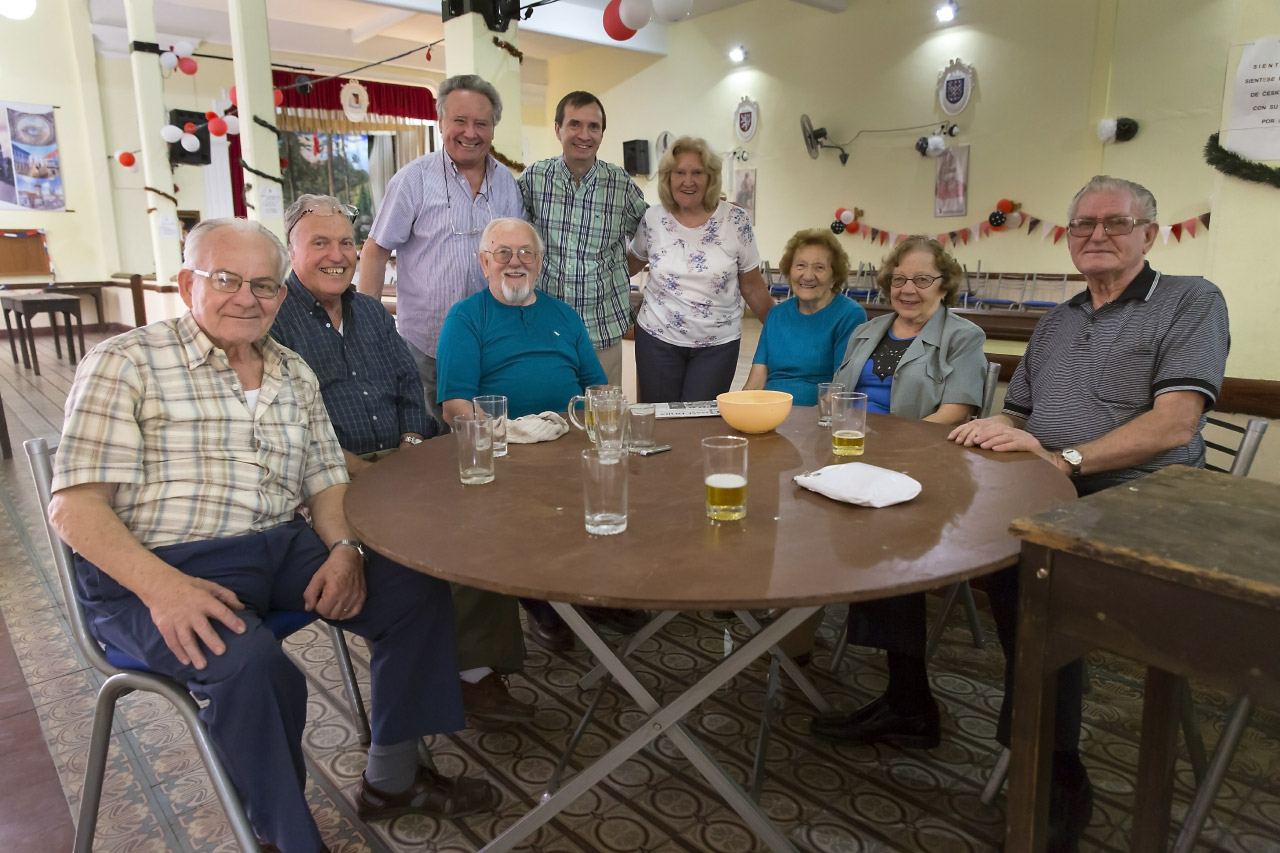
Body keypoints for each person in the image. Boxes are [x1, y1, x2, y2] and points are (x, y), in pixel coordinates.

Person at [48, 219, 497, 853]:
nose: (246, 298)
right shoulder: (126, 361)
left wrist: (344, 550)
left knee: (413, 591)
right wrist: (165, 590)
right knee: (254, 666)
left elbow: (325, 481)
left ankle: (393, 778)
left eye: (263, 285)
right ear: (187, 284)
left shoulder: (292, 371)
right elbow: (74, 509)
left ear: (280, 295)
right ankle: (285, 837)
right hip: (157, 569)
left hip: (280, 547)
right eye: (225, 280)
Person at [949, 175, 1230, 852]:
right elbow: (1019, 414)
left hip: (1142, 498)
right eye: (1083, 224)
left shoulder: (1192, 299)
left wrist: (1064, 460)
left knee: (1030, 569)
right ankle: (923, 702)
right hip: (1048, 488)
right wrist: (989, 428)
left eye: (1116, 223)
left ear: (1149, 234)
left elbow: (1174, 423)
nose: (1097, 235)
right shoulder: (1057, 320)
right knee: (944, 524)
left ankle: (1053, 768)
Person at [271, 195, 534, 729]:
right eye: (320, 243)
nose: (337, 255)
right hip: (331, 476)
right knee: (436, 542)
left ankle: (478, 668)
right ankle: (459, 678)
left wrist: (412, 449)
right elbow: (289, 429)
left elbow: (410, 389)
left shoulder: (370, 311)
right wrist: (367, 472)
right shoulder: (273, 320)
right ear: (290, 250)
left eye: (346, 242)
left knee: (489, 517)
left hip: (402, 460)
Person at [809, 235, 986, 748]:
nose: (908, 289)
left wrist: (888, 450)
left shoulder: (962, 336)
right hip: (855, 458)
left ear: (944, 285)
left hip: (923, 466)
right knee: (794, 507)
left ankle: (910, 700)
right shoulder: (866, 331)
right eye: (900, 279)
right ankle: (788, 640)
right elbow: (837, 397)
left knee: (888, 536)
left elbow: (956, 412)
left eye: (922, 279)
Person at [437, 218, 646, 649]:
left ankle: (599, 589)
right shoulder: (466, 317)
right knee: (526, 513)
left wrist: (608, 431)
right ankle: (542, 601)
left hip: (571, 441)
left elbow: (597, 388)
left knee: (622, 486)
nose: (515, 262)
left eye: (526, 253)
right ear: (484, 262)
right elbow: (455, 404)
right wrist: (504, 435)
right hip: (509, 449)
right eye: (503, 253)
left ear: (540, 261)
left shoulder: (563, 315)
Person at [357, 74, 526, 428]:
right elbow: (375, 251)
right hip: (426, 346)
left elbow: (519, 257)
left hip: (492, 342)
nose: (470, 132)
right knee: (429, 441)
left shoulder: (507, 183)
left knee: (492, 435)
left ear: (493, 128)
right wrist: (368, 330)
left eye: (481, 123)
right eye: (459, 120)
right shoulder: (413, 179)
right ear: (441, 122)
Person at [626, 136, 773, 403]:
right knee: (660, 419)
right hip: (657, 338)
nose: (688, 181)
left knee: (701, 420)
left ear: (711, 178)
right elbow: (630, 264)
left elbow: (753, 288)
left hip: (717, 345)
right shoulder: (653, 218)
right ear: (668, 178)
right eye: (679, 173)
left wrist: (784, 329)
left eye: (697, 173)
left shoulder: (735, 221)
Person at [518, 91, 648, 385]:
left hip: (602, 327)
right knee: (547, 408)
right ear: (558, 129)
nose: (584, 135)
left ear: (602, 133)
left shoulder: (619, 184)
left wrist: (623, 268)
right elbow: (512, 236)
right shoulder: (535, 179)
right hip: (544, 328)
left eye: (593, 126)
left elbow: (652, 233)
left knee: (603, 410)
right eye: (574, 124)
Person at [741, 229, 866, 405]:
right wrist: (741, 409)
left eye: (819, 267)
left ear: (834, 277)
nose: (807, 276)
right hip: (769, 412)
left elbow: (840, 388)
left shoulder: (849, 315)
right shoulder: (776, 314)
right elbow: (755, 383)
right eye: (800, 265)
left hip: (815, 415)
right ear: (789, 271)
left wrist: (804, 419)